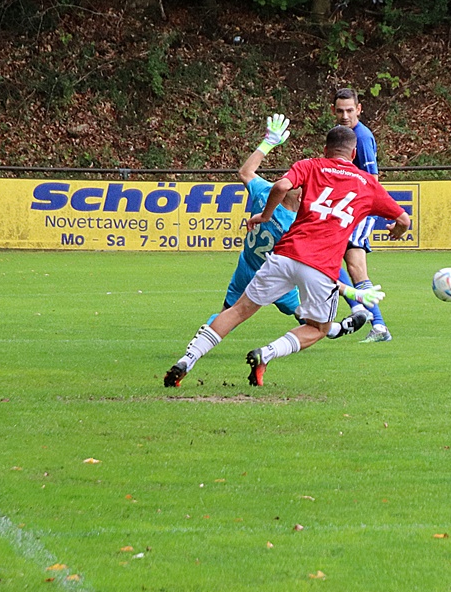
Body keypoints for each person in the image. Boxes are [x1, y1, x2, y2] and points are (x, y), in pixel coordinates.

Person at [164, 125, 410, 388]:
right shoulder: (367, 183)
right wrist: (397, 231)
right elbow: (404, 219)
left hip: (285, 255)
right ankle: (266, 354)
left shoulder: (310, 165)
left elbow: (281, 185)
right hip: (321, 266)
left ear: (325, 150)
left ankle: (187, 360)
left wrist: (265, 215)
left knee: (237, 311)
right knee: (318, 329)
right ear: (353, 154)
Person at [204, 114, 374, 334]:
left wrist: (268, 143)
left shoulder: (264, 193)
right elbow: (318, 268)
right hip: (276, 275)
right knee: (312, 322)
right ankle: (338, 329)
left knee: (228, 312)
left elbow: (245, 172)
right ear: (302, 196)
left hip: (247, 266)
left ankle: (201, 339)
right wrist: (351, 292)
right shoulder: (297, 226)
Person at [328, 87, 394, 343]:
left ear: (359, 109)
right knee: (332, 262)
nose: (345, 115)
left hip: (358, 211)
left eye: (349, 110)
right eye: (340, 111)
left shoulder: (362, 137)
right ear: (333, 111)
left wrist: (359, 208)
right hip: (344, 210)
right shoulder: (341, 134)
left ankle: (375, 322)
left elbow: (372, 179)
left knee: (353, 267)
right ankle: (366, 315)